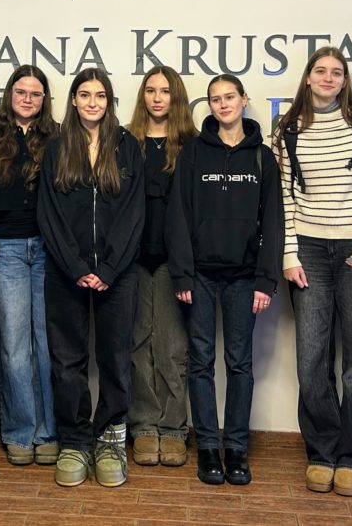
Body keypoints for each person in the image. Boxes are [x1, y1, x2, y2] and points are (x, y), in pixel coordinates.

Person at [271, 46, 352, 497]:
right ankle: (322, 452)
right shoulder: (287, 129)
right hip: (308, 251)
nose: (328, 78)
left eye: (337, 72)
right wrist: (289, 256)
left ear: (345, 81)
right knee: (312, 360)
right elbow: (283, 198)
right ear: (308, 78)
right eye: (321, 71)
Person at [168, 74, 283, 486]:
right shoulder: (193, 154)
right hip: (199, 275)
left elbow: (274, 221)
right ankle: (207, 450)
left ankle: (235, 449)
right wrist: (182, 273)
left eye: (229, 97)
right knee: (200, 362)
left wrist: (266, 280)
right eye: (215, 99)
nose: (223, 104)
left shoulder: (262, 157)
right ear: (210, 106)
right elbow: (178, 216)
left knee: (240, 363)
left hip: (244, 278)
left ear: (243, 99)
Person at [38, 68, 144, 488]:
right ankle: (75, 441)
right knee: (67, 361)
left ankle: (110, 439)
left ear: (109, 101)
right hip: (66, 273)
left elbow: (134, 213)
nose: (92, 103)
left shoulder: (127, 146)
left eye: (100, 95)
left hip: (117, 274)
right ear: (73, 100)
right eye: (85, 95)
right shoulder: (56, 147)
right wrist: (78, 267)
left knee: (116, 358)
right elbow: (49, 213)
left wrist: (107, 269)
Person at [0, 65, 60, 467]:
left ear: (44, 100)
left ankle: (48, 431)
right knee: (14, 346)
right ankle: (20, 432)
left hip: (47, 250)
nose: (27, 99)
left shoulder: (59, 138)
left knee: (47, 344)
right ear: (10, 95)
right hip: (4, 249)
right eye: (21, 92)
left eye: (35, 93)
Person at [125, 66, 197, 468]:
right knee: (138, 346)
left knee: (172, 347)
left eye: (165, 91)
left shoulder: (191, 145)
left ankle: (173, 427)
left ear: (176, 97)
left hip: (175, 261)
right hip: (132, 259)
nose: (157, 98)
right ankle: (144, 426)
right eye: (150, 90)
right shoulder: (125, 142)